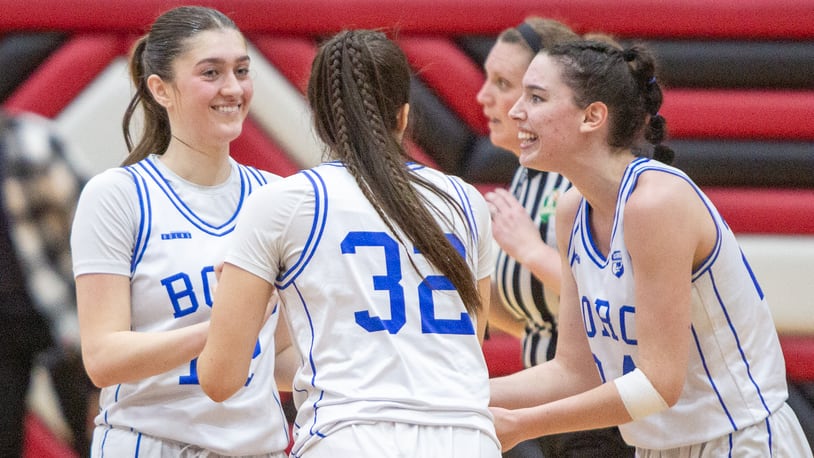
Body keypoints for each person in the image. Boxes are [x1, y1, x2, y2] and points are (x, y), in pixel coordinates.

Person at [489, 39, 814, 457]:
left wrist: (521, 424)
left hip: (740, 439)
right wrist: (456, 393)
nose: (516, 111)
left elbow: (660, 383)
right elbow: (575, 372)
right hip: (657, 448)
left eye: (536, 97)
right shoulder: (572, 210)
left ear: (593, 117)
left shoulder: (655, 203)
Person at [197, 29, 500, 458]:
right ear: (404, 116)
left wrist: (239, 311)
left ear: (318, 117)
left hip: (350, 438)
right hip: (467, 439)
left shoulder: (286, 202)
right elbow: (470, 341)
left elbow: (219, 380)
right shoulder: (466, 201)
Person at [70, 6, 291, 457]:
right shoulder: (117, 195)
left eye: (242, 70)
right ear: (160, 89)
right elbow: (102, 359)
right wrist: (225, 329)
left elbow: (280, 356)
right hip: (152, 445)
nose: (233, 88)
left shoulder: (277, 197)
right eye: (211, 72)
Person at [476, 18, 633, 457]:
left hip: (604, 414)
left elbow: (613, 303)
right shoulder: (528, 174)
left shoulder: (591, 181)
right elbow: (533, 315)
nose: (484, 97)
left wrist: (530, 251)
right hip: (552, 406)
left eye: (524, 90)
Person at [0, 110, 92, 457]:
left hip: (66, 311)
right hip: (4, 334)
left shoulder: (34, 142)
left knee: (100, 438)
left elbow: (97, 227)